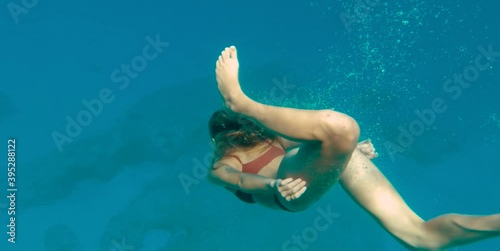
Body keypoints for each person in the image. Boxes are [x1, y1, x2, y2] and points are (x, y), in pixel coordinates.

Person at [208, 46, 500, 250]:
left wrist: (349, 151)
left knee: (421, 237)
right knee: (341, 128)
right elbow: (241, 180)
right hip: (290, 191)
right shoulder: (222, 166)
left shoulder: (270, 141)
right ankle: (241, 102)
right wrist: (273, 184)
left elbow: (312, 136)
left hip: (305, 176)